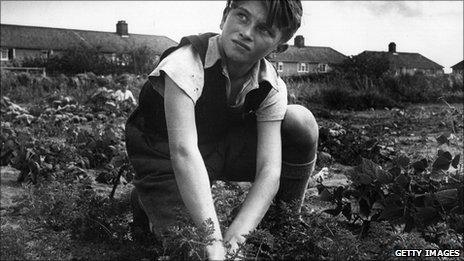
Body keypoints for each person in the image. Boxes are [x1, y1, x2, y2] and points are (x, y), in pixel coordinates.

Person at [125, 0, 318, 259]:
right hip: (164, 156)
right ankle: (148, 196)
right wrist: (213, 241)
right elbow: (183, 152)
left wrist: (236, 238)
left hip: (216, 148)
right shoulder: (185, 62)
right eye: (241, 16)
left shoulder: (271, 84)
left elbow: (269, 170)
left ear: (279, 46)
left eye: (264, 29)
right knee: (193, 249)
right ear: (225, 17)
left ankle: (284, 222)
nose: (246, 32)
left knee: (301, 122)